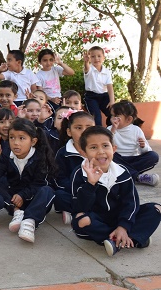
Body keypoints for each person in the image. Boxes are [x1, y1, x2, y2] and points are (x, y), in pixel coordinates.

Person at [71, 126, 161, 256]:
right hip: (97, 220)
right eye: (93, 147)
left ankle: (120, 238)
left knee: (156, 209)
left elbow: (131, 203)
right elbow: (79, 207)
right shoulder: (79, 174)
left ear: (113, 149)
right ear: (83, 153)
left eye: (105, 146)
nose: (101, 151)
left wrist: (123, 226)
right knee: (82, 219)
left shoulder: (123, 172)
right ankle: (134, 237)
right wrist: (91, 184)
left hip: (119, 218)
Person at [0, 118, 56, 244]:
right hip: (13, 199)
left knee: (47, 190)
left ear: (33, 141)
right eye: (12, 138)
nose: (16, 143)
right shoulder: (7, 153)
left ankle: (29, 221)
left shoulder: (40, 157)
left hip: (33, 199)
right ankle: (16, 212)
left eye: (22, 138)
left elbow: (39, 183)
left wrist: (23, 195)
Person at [54, 111, 95, 220]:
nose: (84, 131)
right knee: (58, 195)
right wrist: (79, 190)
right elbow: (59, 179)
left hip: (96, 192)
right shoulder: (63, 153)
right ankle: (84, 212)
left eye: (89, 127)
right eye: (78, 128)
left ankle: (77, 213)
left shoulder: (100, 151)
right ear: (69, 132)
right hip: (73, 193)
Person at [109, 101, 159, 186]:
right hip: (117, 159)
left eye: (116, 116)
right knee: (109, 157)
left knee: (153, 156)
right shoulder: (109, 129)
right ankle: (137, 177)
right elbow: (106, 145)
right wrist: (113, 130)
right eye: (112, 115)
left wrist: (143, 146)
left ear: (129, 119)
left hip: (133, 160)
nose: (112, 118)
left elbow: (147, 151)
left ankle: (124, 175)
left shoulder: (136, 130)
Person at [83, 46, 115, 126]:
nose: (96, 58)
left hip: (104, 96)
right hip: (91, 97)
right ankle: (98, 131)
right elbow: (86, 69)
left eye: (99, 56)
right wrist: (86, 62)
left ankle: (111, 129)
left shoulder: (107, 71)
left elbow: (109, 86)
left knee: (114, 113)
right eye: (93, 56)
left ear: (103, 57)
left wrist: (112, 101)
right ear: (89, 58)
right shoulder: (89, 69)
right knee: (96, 117)